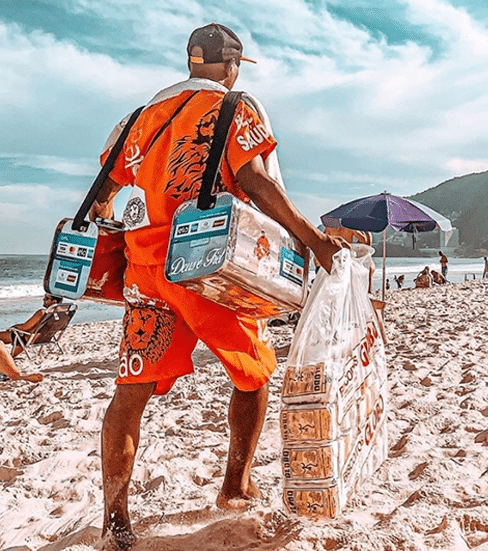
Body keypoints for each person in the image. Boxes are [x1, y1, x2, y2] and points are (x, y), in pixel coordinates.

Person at [89, 23, 347, 549]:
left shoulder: (141, 119)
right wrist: (313, 239)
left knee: (129, 394)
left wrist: (120, 216)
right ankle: (235, 484)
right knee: (254, 376)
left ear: (190, 62)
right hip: (209, 269)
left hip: (148, 275)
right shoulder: (234, 107)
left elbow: (103, 196)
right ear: (229, 66)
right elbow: (254, 180)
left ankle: (116, 521)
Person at [0, 294, 65, 358]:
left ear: (54, 301)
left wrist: (13, 327)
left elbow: (24, 327)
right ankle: (11, 356)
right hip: (45, 338)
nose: (43, 299)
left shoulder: (42, 313)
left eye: (46, 298)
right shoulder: (62, 314)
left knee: (12, 334)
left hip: (27, 338)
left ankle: (8, 357)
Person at [324, 225, 374, 292]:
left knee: (333, 285)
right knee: (346, 284)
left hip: (333, 258)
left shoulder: (329, 228)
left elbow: (324, 241)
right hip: (345, 258)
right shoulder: (349, 227)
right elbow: (363, 240)